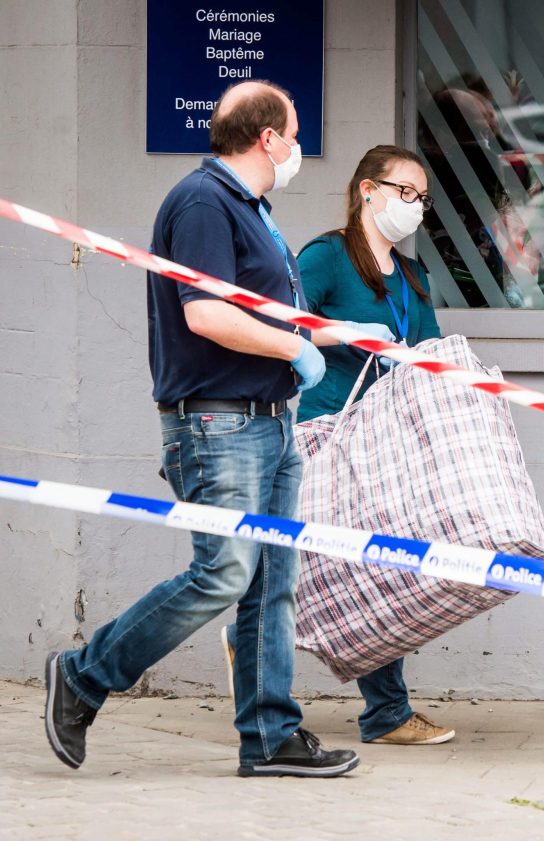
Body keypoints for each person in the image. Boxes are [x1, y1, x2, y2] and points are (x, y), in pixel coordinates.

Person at [44, 80, 369, 778]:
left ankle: (271, 735)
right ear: (267, 139)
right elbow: (208, 315)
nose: (298, 146)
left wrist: (336, 335)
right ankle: (82, 675)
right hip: (218, 424)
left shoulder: (252, 210)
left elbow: (271, 315)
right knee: (222, 574)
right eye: (294, 132)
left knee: (269, 584)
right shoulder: (202, 204)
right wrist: (295, 351)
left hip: (270, 422)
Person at [222, 144, 455, 747]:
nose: (415, 206)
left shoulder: (413, 275)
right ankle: (380, 709)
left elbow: (426, 354)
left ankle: (384, 711)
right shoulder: (327, 257)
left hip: (390, 439)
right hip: (330, 436)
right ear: (367, 191)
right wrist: (350, 333)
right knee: (332, 563)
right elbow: (284, 322)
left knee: (382, 569)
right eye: (405, 191)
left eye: (422, 197)